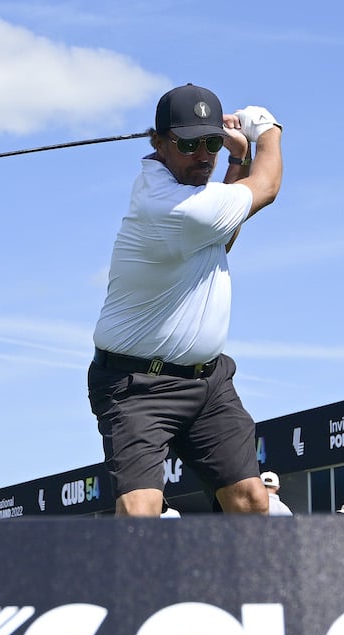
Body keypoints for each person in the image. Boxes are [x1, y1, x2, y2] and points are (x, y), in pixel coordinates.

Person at [88, 83, 283, 517]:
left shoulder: (194, 201)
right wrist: (267, 130)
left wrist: (237, 158)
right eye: (190, 143)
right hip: (135, 386)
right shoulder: (167, 206)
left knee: (252, 501)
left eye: (212, 142)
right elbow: (266, 187)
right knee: (141, 512)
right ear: (158, 143)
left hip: (208, 383)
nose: (203, 155)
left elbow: (222, 239)